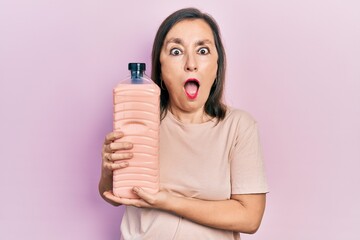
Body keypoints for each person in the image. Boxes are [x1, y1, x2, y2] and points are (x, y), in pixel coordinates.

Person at [99, 7, 269, 240]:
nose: (191, 63)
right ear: (160, 67)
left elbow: (249, 218)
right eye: (176, 51)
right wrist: (108, 172)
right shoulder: (141, 119)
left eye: (202, 50)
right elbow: (114, 197)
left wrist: (169, 201)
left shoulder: (239, 126)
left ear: (217, 65)